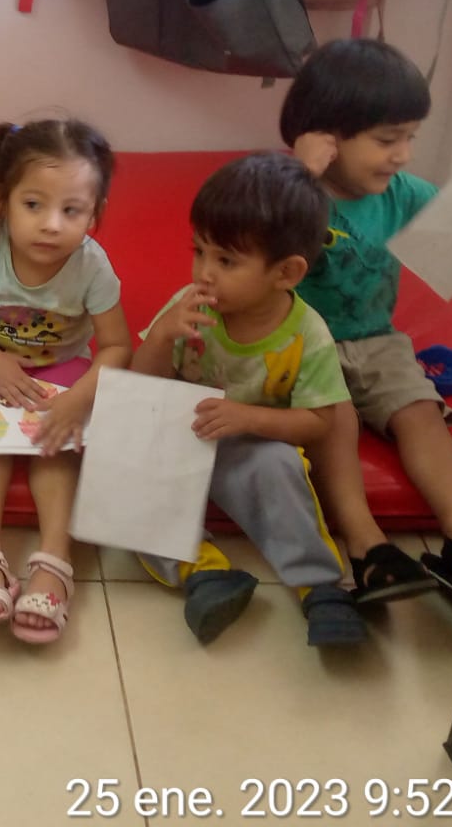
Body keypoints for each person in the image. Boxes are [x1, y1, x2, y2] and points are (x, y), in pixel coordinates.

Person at [281, 39, 452, 605]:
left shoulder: (401, 194)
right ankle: (367, 546)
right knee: (335, 420)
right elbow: (254, 233)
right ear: (325, 135)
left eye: (410, 138)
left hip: (376, 341)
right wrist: (297, 175)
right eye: (386, 140)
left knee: (420, 411)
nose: (402, 154)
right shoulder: (287, 188)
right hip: (300, 343)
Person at [130, 153, 366, 646]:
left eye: (226, 261)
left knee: (280, 466)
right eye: (199, 251)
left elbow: (319, 421)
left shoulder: (307, 334)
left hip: (251, 445)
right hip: (181, 439)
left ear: (286, 272)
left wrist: (248, 418)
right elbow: (141, 386)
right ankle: (204, 573)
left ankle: (320, 587)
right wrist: (162, 336)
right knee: (124, 467)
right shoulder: (189, 307)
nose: (204, 273)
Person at [0, 119, 131, 644]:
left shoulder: (92, 267)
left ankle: (55, 560)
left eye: (72, 211)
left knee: (56, 447)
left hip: (59, 369)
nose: (51, 225)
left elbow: (116, 346)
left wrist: (77, 401)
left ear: (95, 213)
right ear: (4, 200)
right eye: (34, 205)